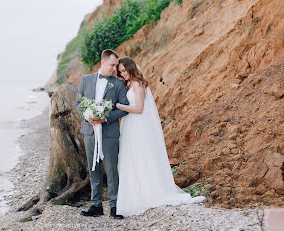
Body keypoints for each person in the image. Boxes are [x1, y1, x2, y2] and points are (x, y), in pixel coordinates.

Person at [115, 57, 205, 217]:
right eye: (120, 71)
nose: (123, 73)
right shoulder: (128, 84)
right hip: (129, 126)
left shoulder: (138, 84)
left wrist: (118, 106)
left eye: (124, 70)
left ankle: (148, 192)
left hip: (137, 125)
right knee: (131, 159)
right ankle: (135, 193)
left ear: (130, 68)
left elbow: (139, 108)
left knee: (141, 158)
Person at [76, 49, 129, 219]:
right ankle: (96, 205)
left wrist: (105, 118)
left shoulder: (119, 84)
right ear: (103, 62)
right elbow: (79, 102)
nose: (115, 68)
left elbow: (124, 108)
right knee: (93, 168)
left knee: (112, 169)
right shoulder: (86, 80)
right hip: (90, 132)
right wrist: (88, 115)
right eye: (112, 65)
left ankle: (115, 206)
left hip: (110, 133)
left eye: (116, 65)